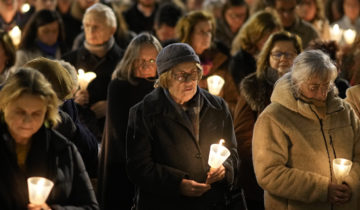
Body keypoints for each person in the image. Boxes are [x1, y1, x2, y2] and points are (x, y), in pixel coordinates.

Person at [126, 43, 240, 209]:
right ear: (165, 78)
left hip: (211, 202)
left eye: (193, 73)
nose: (189, 81)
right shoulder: (144, 112)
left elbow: (233, 151)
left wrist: (225, 168)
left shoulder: (218, 107)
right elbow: (138, 167)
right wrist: (177, 183)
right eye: (180, 75)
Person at [252, 50, 360, 209]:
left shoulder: (344, 111)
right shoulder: (274, 117)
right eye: (314, 87)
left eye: (326, 85)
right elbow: (269, 173)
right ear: (297, 82)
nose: (322, 93)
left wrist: (350, 183)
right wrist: (322, 189)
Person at [0, 68, 99, 210]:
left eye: (36, 113)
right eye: (20, 112)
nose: (27, 121)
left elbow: (91, 207)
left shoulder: (63, 149)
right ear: (4, 107)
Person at [233, 31, 302, 210]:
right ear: (267, 57)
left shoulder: (306, 89)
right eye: (277, 53)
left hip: (299, 177)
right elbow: (242, 136)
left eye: (289, 54)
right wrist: (269, 165)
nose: (283, 59)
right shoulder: (253, 88)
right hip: (260, 178)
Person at [98, 32, 162, 210]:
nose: (145, 65)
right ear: (130, 60)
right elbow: (119, 130)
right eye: (139, 60)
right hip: (122, 162)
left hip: (152, 164)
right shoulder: (119, 85)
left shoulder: (161, 88)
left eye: (151, 60)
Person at [24, 57, 99, 178]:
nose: (58, 105)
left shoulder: (67, 107)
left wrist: (73, 130)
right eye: (57, 99)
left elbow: (90, 149)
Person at [62, 3, 124, 141]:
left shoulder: (125, 61)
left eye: (96, 26)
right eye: (87, 26)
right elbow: (57, 105)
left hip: (114, 135)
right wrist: (74, 102)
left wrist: (113, 105)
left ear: (112, 29)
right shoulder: (68, 61)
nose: (90, 31)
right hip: (79, 137)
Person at [176, 10, 239, 113]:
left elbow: (235, 105)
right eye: (202, 32)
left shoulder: (220, 61)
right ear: (189, 34)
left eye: (209, 31)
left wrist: (219, 102)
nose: (207, 36)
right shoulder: (176, 63)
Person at [230, 10, 282, 87]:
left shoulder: (281, 55)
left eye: (274, 37)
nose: (270, 43)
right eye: (265, 37)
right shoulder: (241, 61)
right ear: (255, 36)